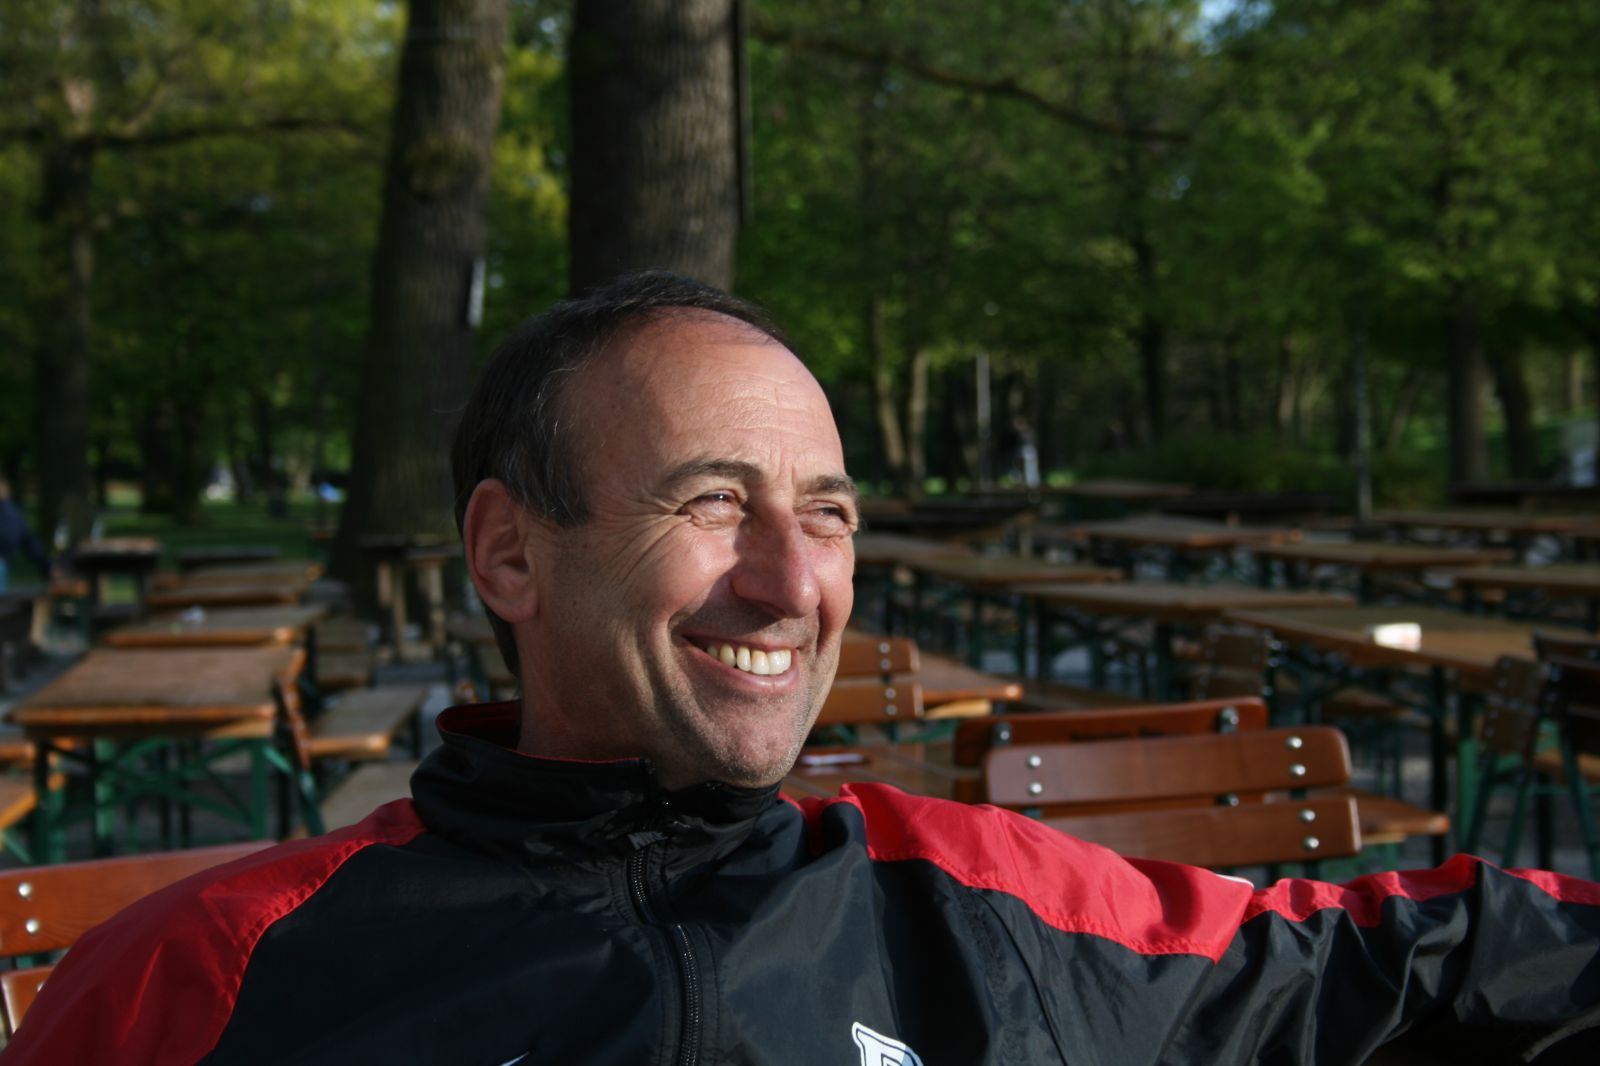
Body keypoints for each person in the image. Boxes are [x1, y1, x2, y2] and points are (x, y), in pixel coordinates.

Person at [8, 272, 1600, 1065]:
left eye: (825, 513)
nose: (793, 582)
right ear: (509, 553)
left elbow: (1383, 965)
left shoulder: (986, 906)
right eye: (714, 502)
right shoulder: (203, 977)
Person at [0, 476, 50, 592]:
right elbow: (27, 540)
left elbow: (27, 540)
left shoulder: (9, 512)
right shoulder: (10, 512)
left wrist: (46, 565)